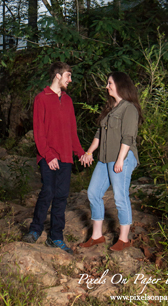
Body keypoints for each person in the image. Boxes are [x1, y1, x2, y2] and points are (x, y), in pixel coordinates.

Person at [22, 62, 89, 253]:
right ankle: (35, 230)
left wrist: (80, 153)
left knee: (61, 197)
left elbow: (72, 133)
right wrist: (49, 155)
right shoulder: (41, 99)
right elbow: (39, 132)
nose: (70, 80)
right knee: (48, 192)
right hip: (47, 155)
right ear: (57, 76)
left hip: (66, 157)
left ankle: (56, 237)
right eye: (68, 75)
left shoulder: (68, 101)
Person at [79, 72, 143, 252]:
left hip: (122, 157)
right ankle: (96, 236)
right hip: (104, 158)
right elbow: (99, 134)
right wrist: (89, 152)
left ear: (120, 85)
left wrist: (121, 160)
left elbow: (128, 137)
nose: (107, 87)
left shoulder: (129, 108)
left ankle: (124, 239)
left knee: (120, 196)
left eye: (109, 83)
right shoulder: (110, 109)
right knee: (93, 192)